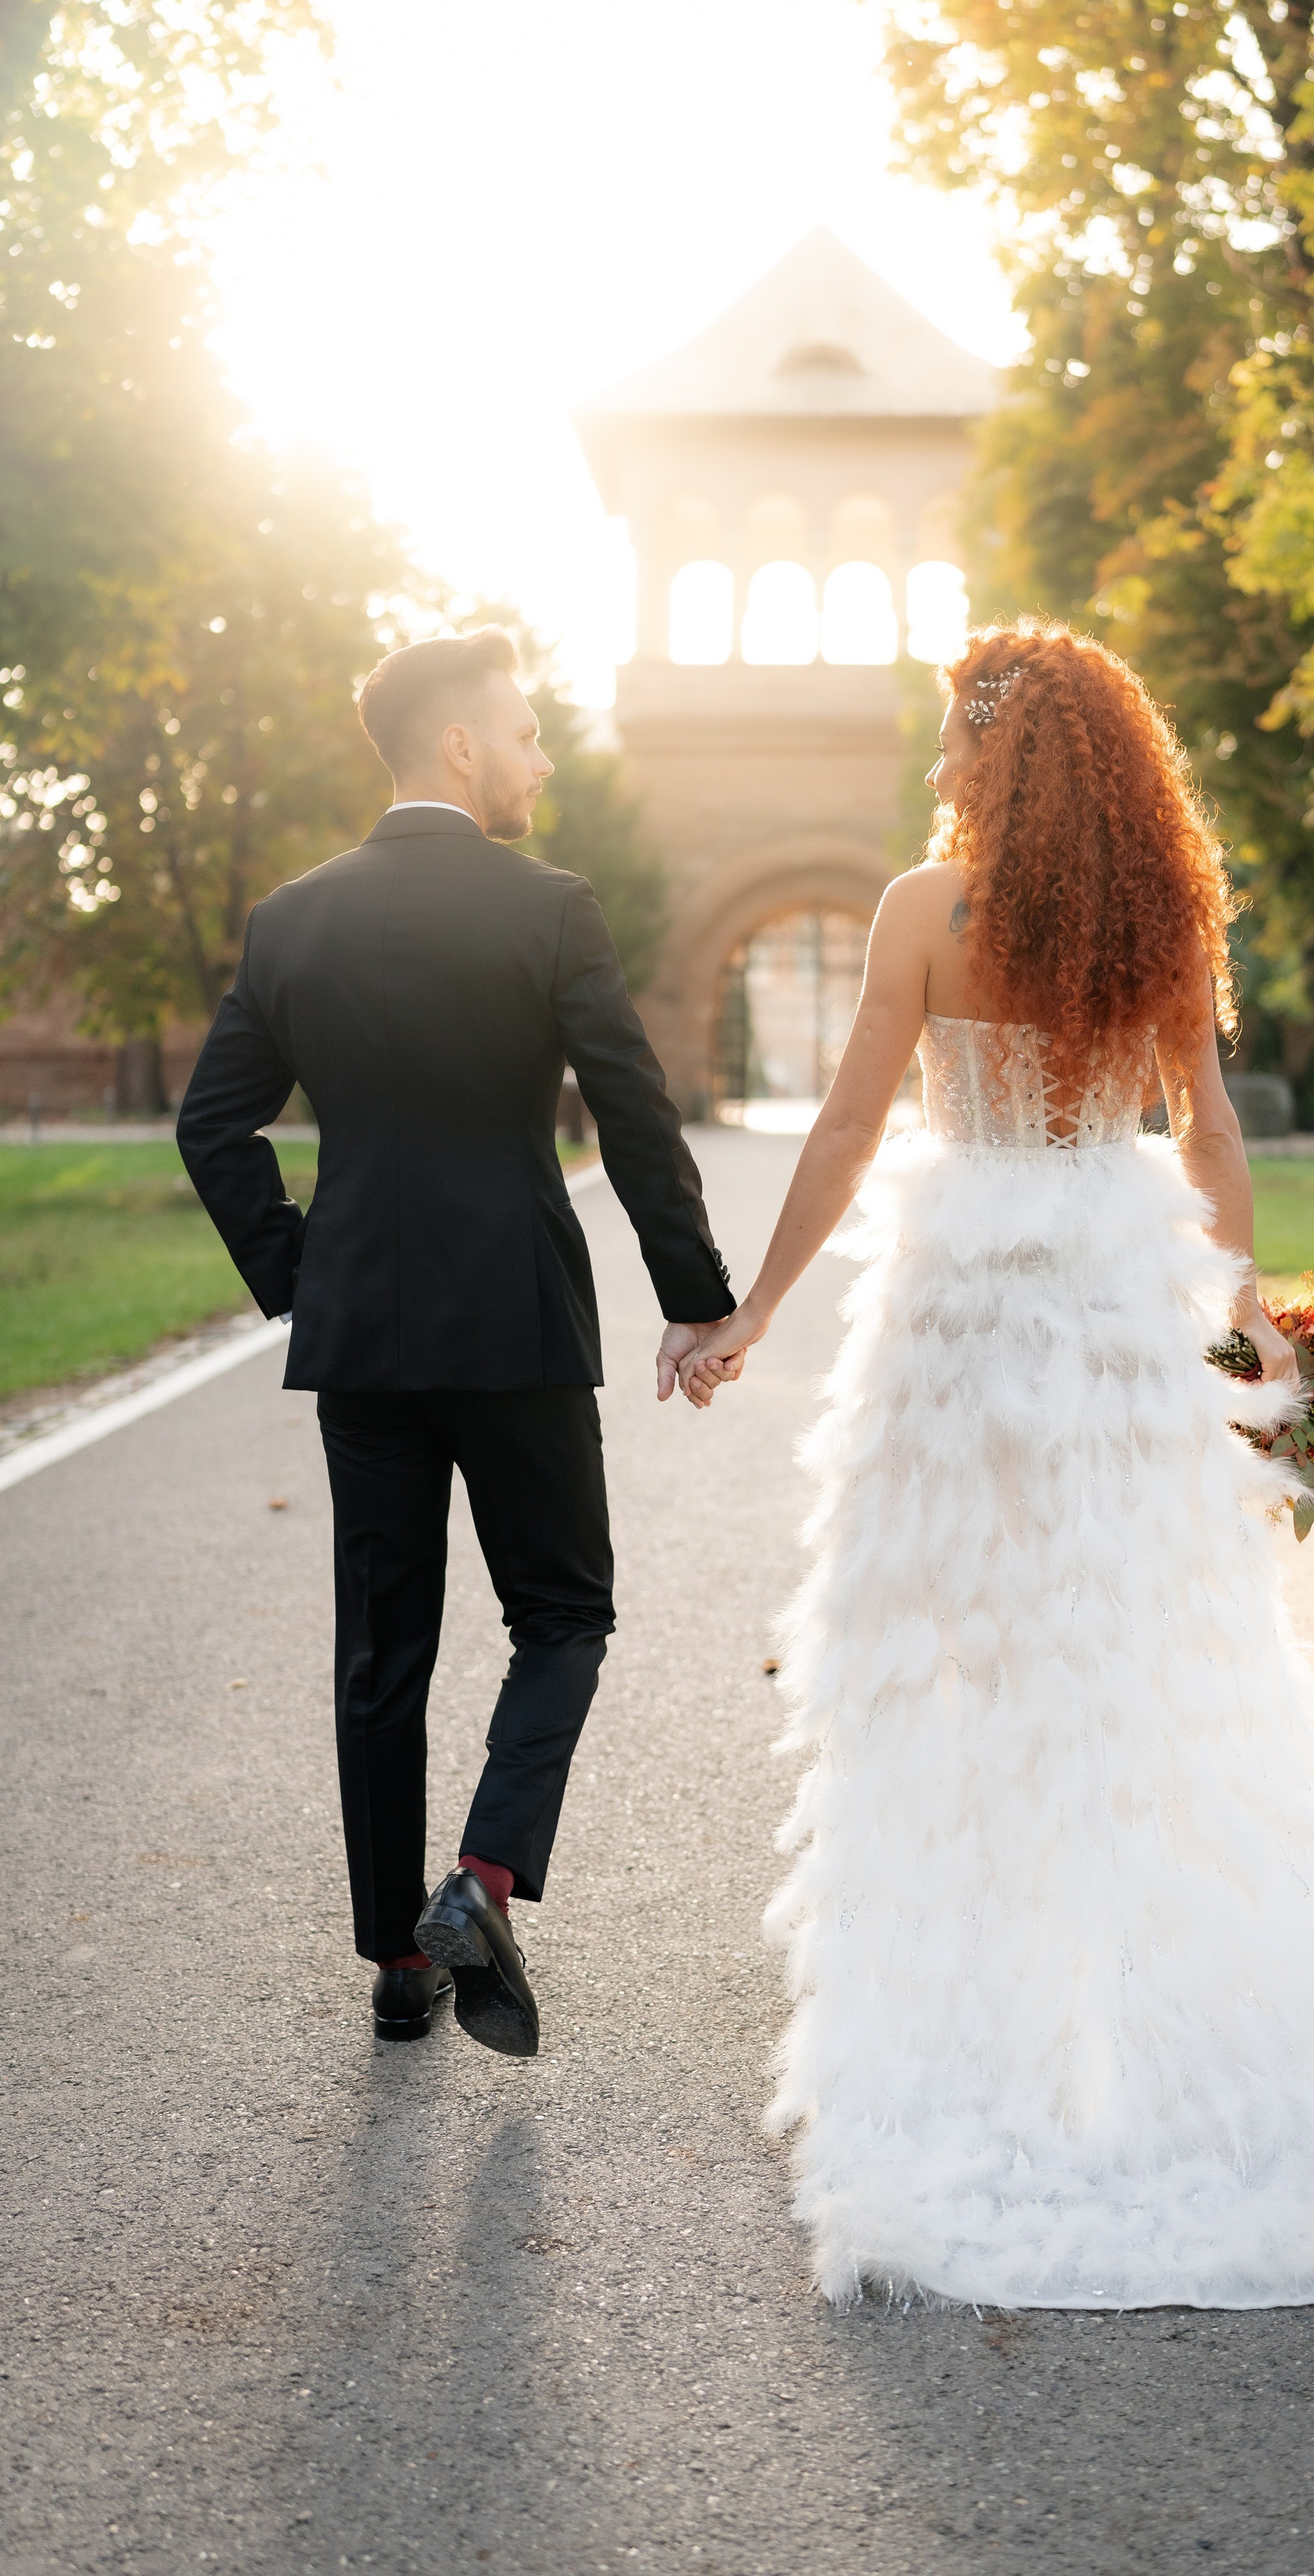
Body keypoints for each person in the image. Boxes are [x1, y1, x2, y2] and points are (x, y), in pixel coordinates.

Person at [683, 619, 1314, 2310]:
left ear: (984, 753)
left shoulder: (921, 912)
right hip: (1114, 1289)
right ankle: (1175, 2041)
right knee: (1136, 1659)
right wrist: (1241, 1320)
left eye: (955, 741)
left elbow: (843, 1127)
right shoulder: (1157, 919)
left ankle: (969, 2016)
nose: (942, 767)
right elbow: (1205, 1130)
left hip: (963, 1300)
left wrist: (750, 1310)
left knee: (950, 1661)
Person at [177, 627, 734, 2057]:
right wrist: (693, 1295)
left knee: (384, 1648)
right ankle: (477, 1884)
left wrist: (306, 1277)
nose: (545, 756)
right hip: (517, 1324)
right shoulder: (551, 908)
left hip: (362, 1335)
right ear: (462, 747)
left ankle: (393, 1964)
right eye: (531, 731)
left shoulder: (291, 919)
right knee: (562, 1616)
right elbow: (631, 1110)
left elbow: (213, 1123)